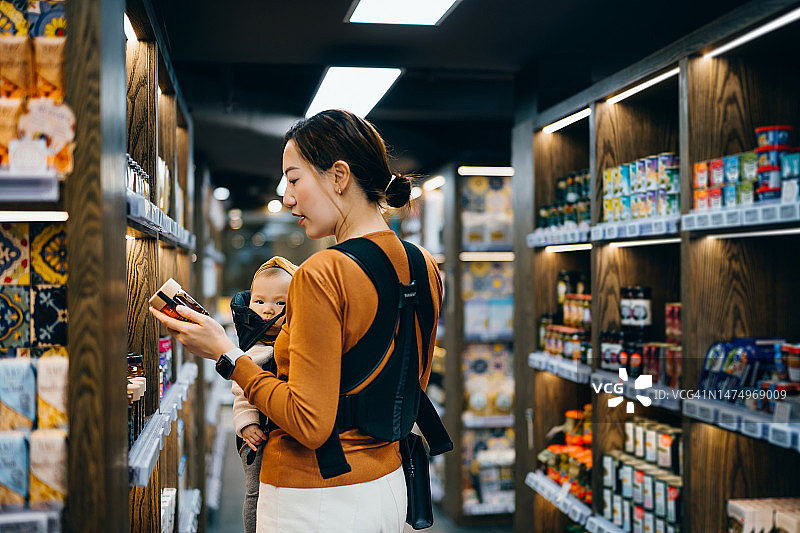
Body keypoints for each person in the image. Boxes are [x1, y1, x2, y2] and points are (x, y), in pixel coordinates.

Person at [151, 109, 443, 533]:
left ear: (338, 176)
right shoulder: (424, 265)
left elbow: (308, 422)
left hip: (314, 500)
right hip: (390, 487)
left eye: (293, 178)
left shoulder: (321, 274)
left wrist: (226, 354)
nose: (288, 198)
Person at [230, 256, 297, 533]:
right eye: (259, 302)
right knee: (256, 493)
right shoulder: (254, 346)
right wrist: (247, 424)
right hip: (258, 436)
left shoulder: (297, 338)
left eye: (281, 303)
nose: (268, 311)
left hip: (289, 435)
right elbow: (241, 390)